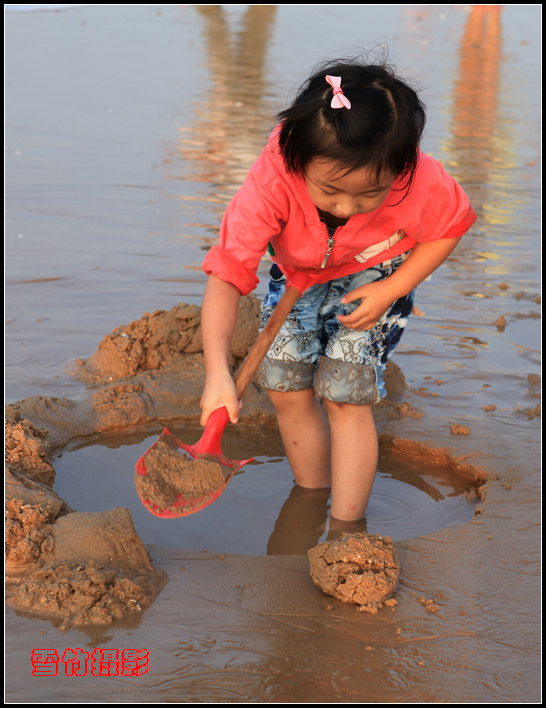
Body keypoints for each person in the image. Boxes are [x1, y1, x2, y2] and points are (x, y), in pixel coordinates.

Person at [199, 59, 476, 525]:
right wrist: (216, 373)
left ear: (401, 167)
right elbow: (227, 273)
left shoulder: (418, 179)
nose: (347, 207)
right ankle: (312, 495)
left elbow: (451, 226)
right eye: (329, 190)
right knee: (285, 384)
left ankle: (347, 529)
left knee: (344, 392)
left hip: (377, 270)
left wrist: (393, 288)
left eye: (371, 195)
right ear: (298, 159)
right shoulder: (272, 180)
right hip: (298, 271)